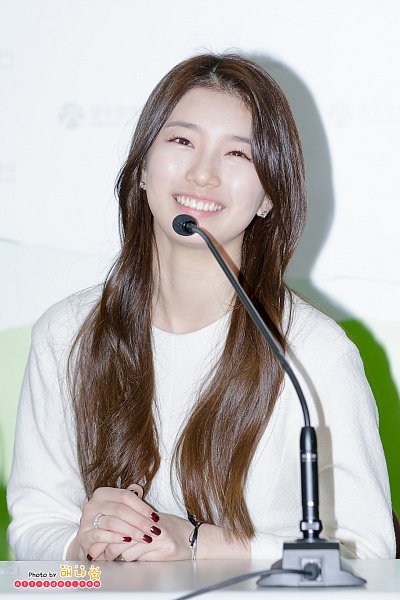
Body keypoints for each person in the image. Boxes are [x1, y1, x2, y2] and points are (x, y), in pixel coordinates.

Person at [7, 53, 395, 562]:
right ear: (142, 168)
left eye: (237, 154)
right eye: (182, 141)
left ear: (268, 196)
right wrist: (83, 547)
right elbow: (34, 527)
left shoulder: (314, 355)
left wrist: (198, 544)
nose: (203, 174)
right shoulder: (66, 333)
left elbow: (369, 556)